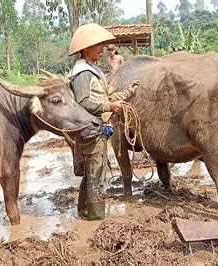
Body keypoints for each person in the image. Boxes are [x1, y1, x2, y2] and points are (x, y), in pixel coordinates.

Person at [67, 23, 140, 221]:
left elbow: (104, 97)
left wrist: (128, 93)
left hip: (95, 128)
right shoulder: (82, 73)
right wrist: (110, 107)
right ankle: (96, 219)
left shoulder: (92, 70)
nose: (102, 48)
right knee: (97, 177)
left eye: (102, 45)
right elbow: (84, 103)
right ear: (85, 49)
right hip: (90, 131)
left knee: (91, 175)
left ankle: (83, 212)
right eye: (97, 45)